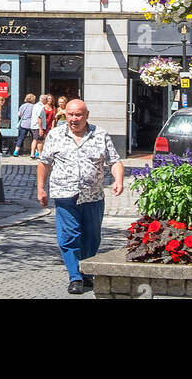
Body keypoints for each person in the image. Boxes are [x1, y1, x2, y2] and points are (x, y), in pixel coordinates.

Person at [37, 99, 124, 294]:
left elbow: (115, 161)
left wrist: (119, 180)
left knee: (92, 237)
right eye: (70, 114)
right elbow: (44, 163)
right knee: (69, 236)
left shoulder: (100, 134)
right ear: (65, 115)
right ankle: (75, 276)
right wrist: (41, 188)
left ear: (87, 115)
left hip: (93, 196)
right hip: (65, 194)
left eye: (78, 115)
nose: (74, 119)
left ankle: (86, 273)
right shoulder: (56, 135)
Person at [29, 94, 48, 159]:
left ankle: (32, 154)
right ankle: (40, 154)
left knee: (35, 139)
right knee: (40, 140)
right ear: (44, 100)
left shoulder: (35, 105)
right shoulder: (41, 107)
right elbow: (39, 118)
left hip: (34, 126)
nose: (47, 101)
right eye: (46, 99)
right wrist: (40, 128)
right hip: (38, 126)